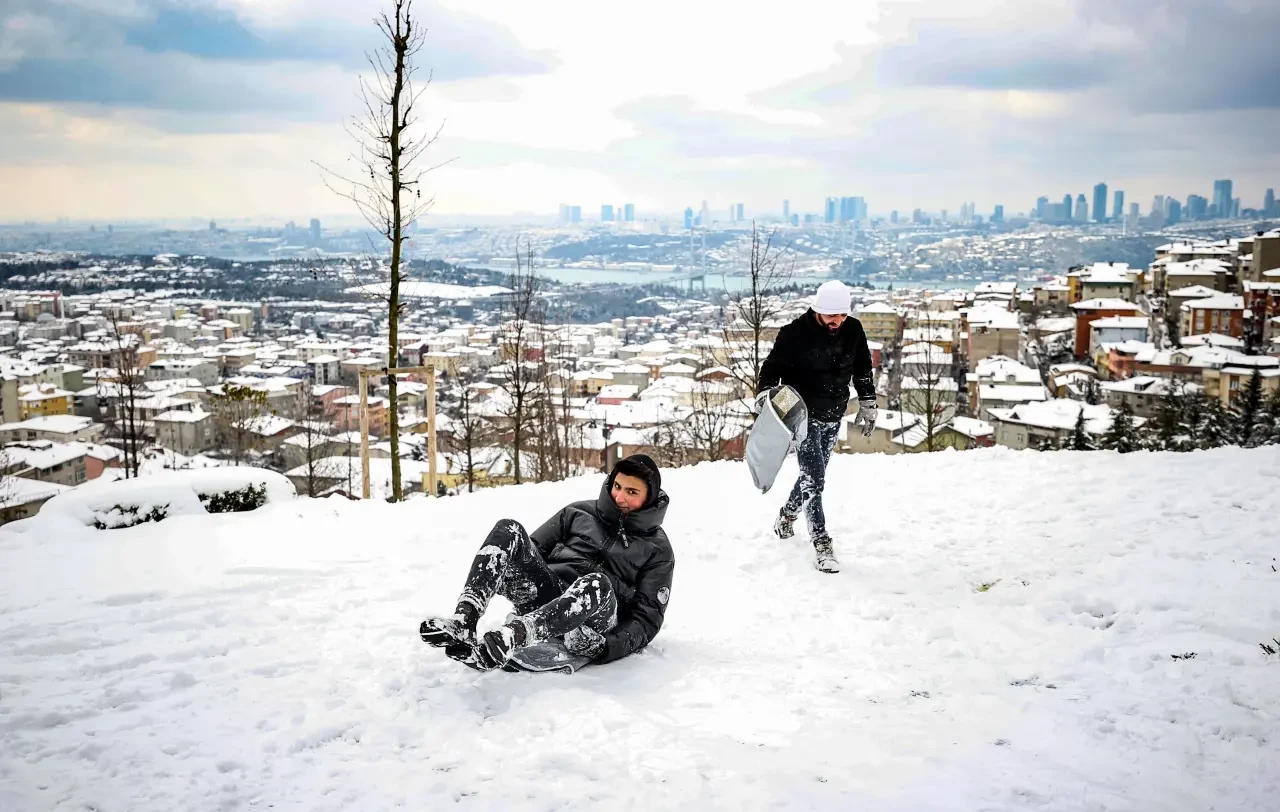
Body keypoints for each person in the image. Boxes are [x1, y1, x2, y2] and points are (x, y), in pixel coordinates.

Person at [419, 454, 674, 671]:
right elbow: (528, 552)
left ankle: (515, 636)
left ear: (649, 498)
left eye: (632, 492)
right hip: (550, 598)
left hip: (594, 620)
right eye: (617, 486)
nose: (620, 497)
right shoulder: (577, 513)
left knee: (597, 583)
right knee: (509, 530)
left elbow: (647, 619)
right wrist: (506, 575)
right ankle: (465, 619)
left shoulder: (658, 550)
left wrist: (606, 646)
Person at [756, 279, 876, 573]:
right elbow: (772, 368)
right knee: (814, 478)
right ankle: (821, 542)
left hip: (835, 413)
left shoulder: (853, 330)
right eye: (831, 315)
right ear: (818, 311)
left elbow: (862, 367)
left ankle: (786, 515)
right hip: (801, 416)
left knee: (815, 475)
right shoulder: (794, 334)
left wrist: (868, 400)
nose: (837, 320)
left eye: (842, 315)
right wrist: (765, 394)